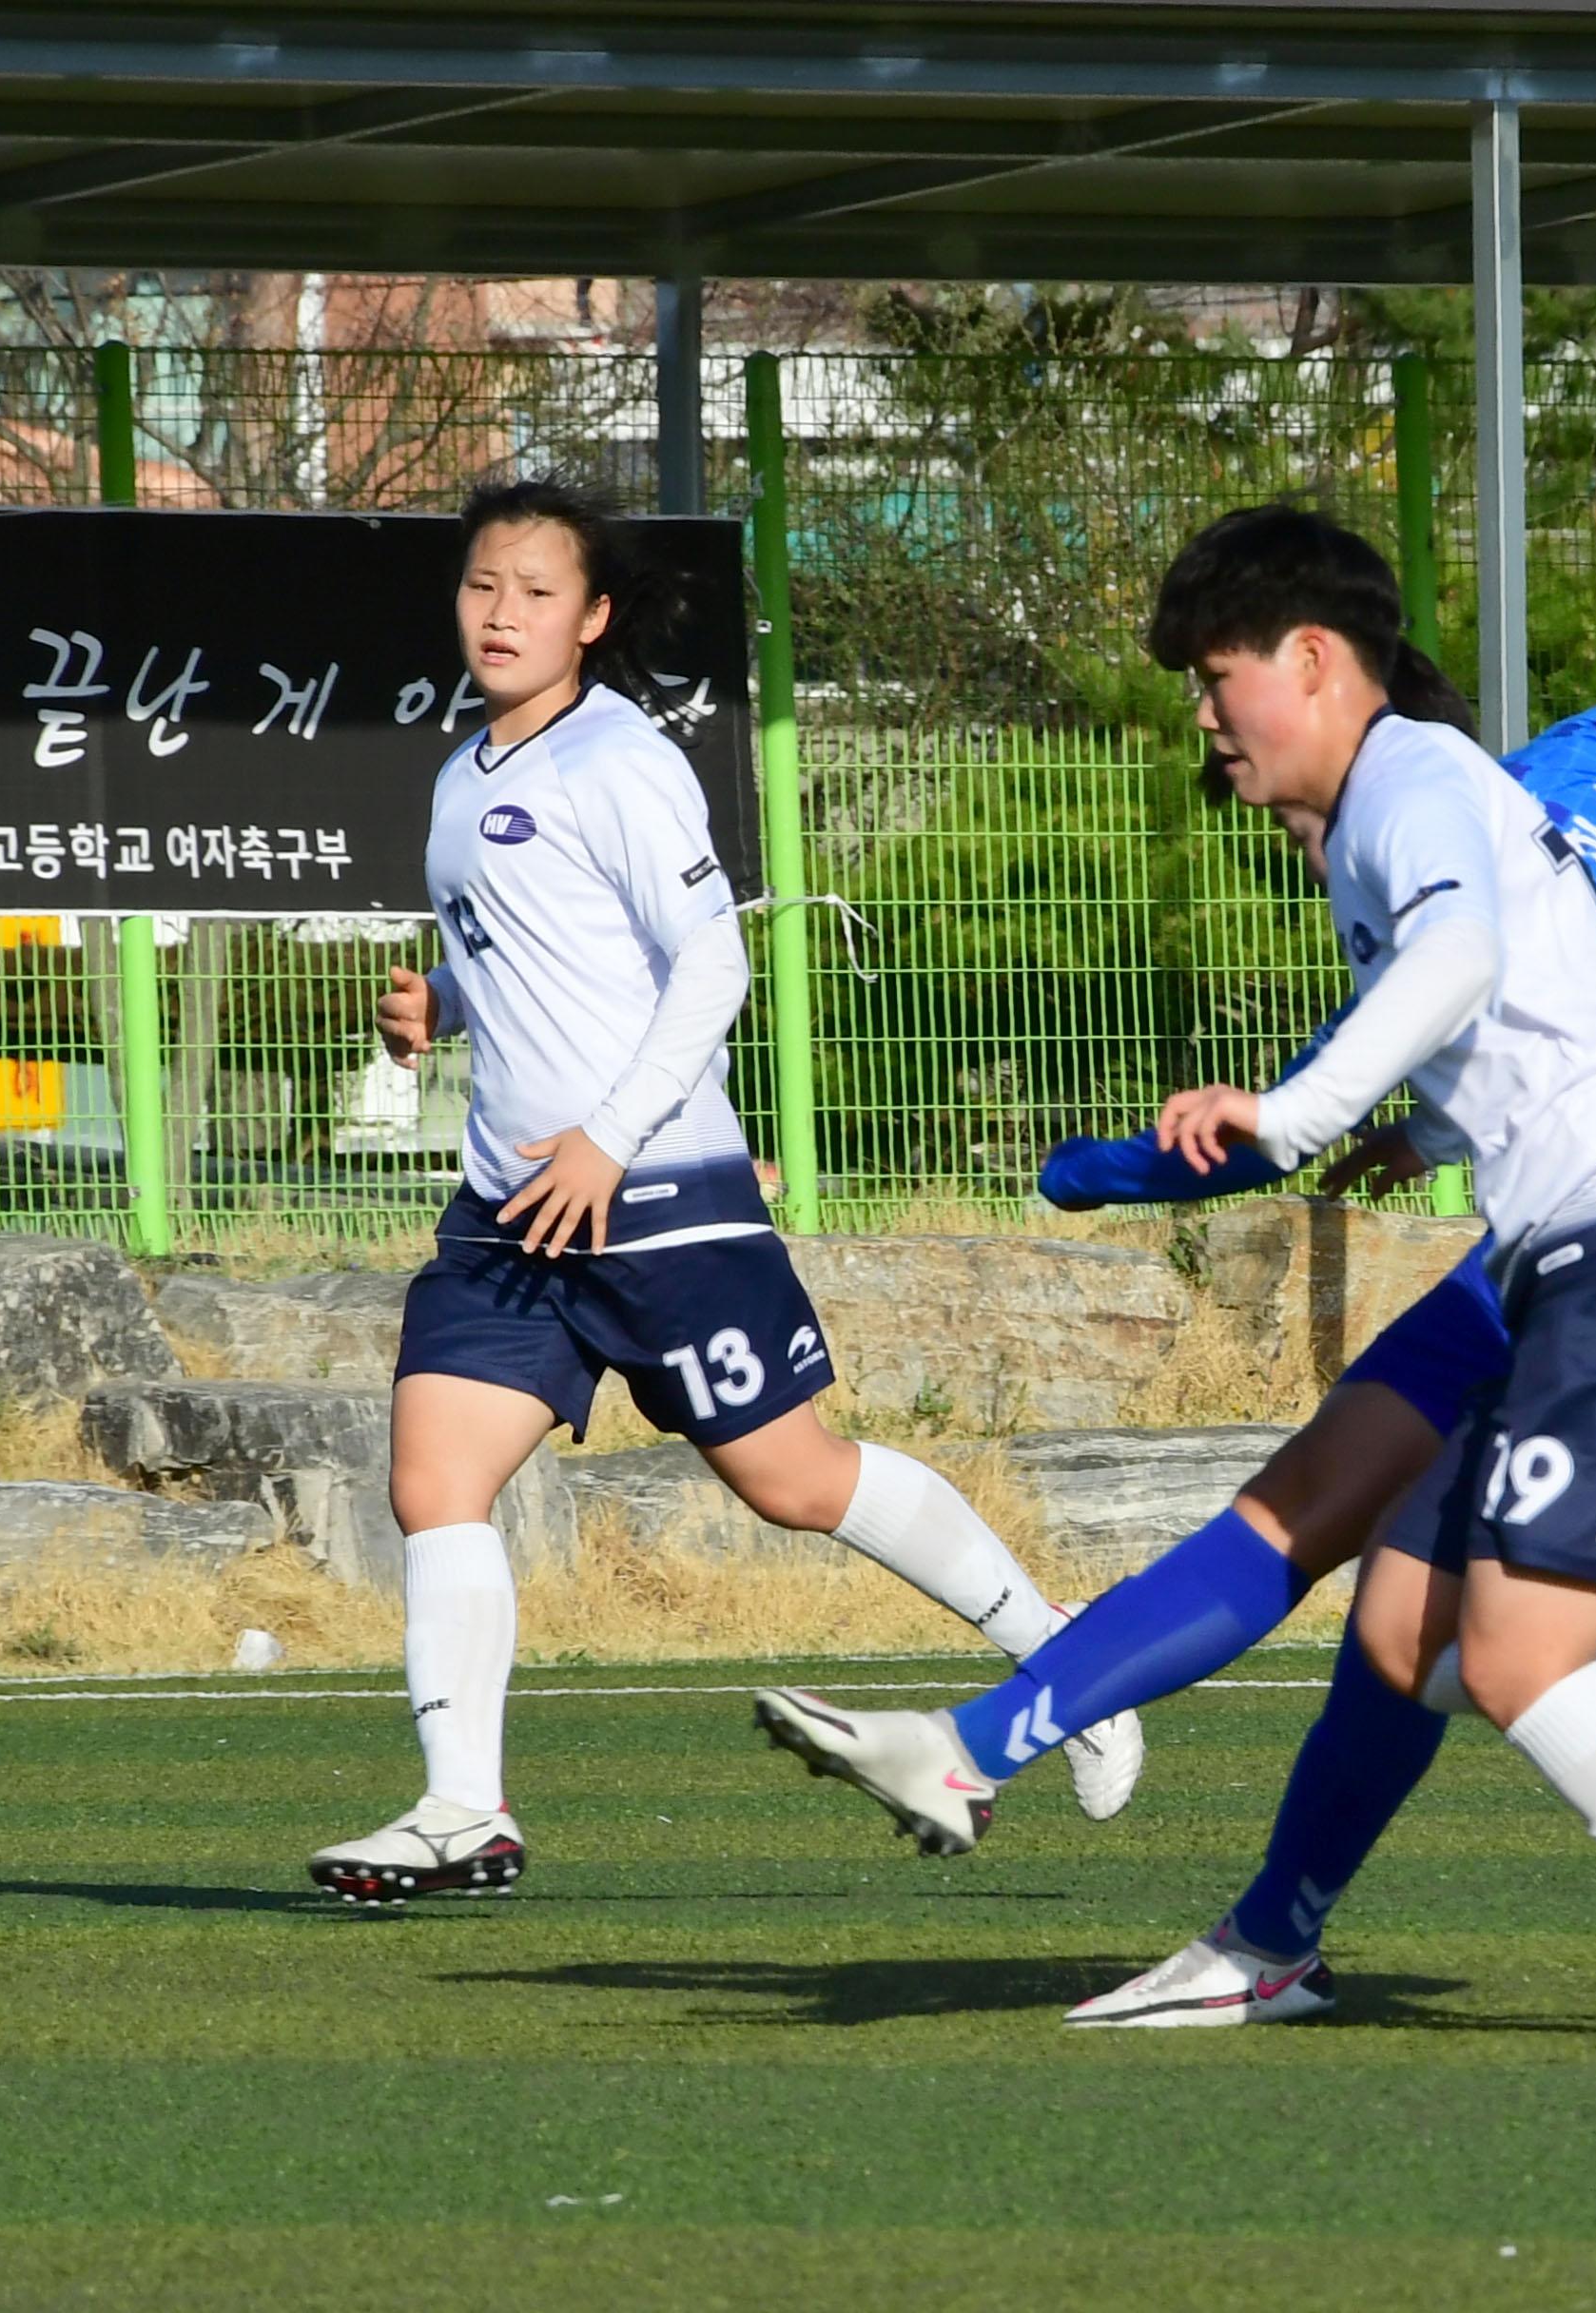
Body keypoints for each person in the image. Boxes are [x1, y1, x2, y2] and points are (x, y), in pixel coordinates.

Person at [761, 506, 1596, 2040]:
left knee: (1516, 1647)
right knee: (1403, 1602)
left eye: (1220, 684)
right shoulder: (1423, 814)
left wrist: (1293, 1112)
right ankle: (1156, 1855)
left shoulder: (1414, 781)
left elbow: (1464, 964)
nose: (1208, 730)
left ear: (1315, 659)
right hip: (1583, 1256)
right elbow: (1521, 997)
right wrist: (1368, 1131)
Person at [306, 479, 1138, 1907]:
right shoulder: (463, 773)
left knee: (796, 1485)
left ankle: (1070, 1661)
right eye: (482, 586)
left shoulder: (620, 760)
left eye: (538, 593)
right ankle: (463, 1811)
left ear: (595, 618)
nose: (503, 614)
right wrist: (442, 1000)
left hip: (656, 1194)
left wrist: (608, 1140)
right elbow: (549, 956)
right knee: (435, 1483)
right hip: (508, 1207)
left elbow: (711, 966)